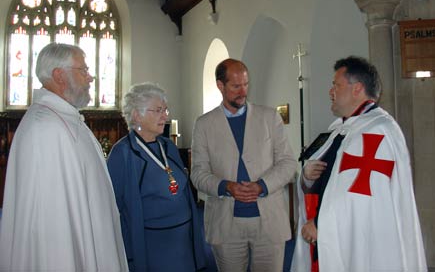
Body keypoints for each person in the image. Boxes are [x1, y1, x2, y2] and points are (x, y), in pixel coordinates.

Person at [291, 56, 427, 272]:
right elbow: (331, 180)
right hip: (331, 234)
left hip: (360, 240)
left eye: (336, 85)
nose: (331, 91)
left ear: (357, 88)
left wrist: (321, 225)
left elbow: (363, 195)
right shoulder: (341, 130)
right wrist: (307, 177)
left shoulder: (379, 130)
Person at [0, 43, 128, 271]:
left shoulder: (66, 118)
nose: (91, 78)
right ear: (59, 75)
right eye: (84, 70)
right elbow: (51, 224)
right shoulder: (45, 128)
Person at [191, 58, 297, 272]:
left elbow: (288, 163)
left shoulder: (269, 117)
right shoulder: (204, 124)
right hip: (226, 223)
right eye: (236, 86)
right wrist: (225, 186)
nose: (243, 91)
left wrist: (262, 185)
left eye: (246, 84)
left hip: (268, 221)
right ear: (220, 86)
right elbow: (198, 173)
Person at [107, 82, 206, 272]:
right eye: (158, 110)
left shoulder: (167, 145)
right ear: (137, 114)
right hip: (153, 244)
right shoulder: (123, 153)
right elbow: (113, 208)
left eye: (165, 110)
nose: (165, 116)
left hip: (183, 240)